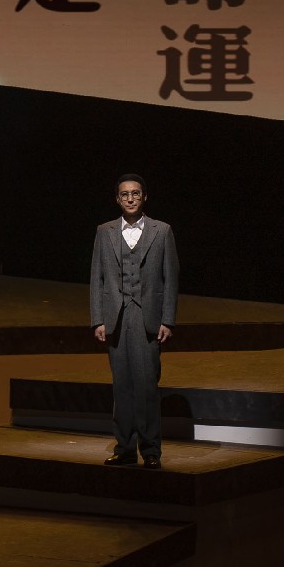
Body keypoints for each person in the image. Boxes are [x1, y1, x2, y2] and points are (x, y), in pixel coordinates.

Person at [89, 174, 179, 468]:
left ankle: (151, 450)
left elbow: (170, 278)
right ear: (118, 199)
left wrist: (167, 320)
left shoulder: (162, 231)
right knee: (122, 386)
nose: (130, 198)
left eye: (135, 193)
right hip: (116, 317)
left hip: (147, 317)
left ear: (144, 197)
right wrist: (98, 319)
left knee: (147, 386)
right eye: (125, 194)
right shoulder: (104, 231)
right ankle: (125, 449)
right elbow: (97, 278)